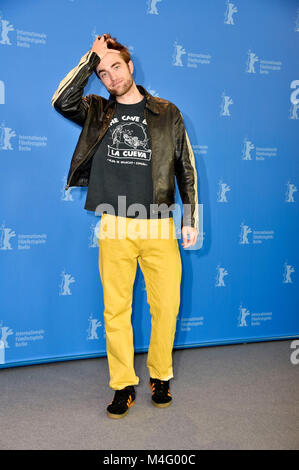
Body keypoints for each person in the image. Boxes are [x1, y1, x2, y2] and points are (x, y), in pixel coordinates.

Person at [51, 34, 199, 419]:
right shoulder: (97, 111)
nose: (111, 75)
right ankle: (122, 384)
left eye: (116, 66)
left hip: (158, 224)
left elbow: (185, 167)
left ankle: (160, 375)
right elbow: (61, 100)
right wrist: (90, 58)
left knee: (166, 306)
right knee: (116, 309)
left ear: (131, 68)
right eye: (103, 72)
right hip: (114, 221)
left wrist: (190, 217)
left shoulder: (167, 112)